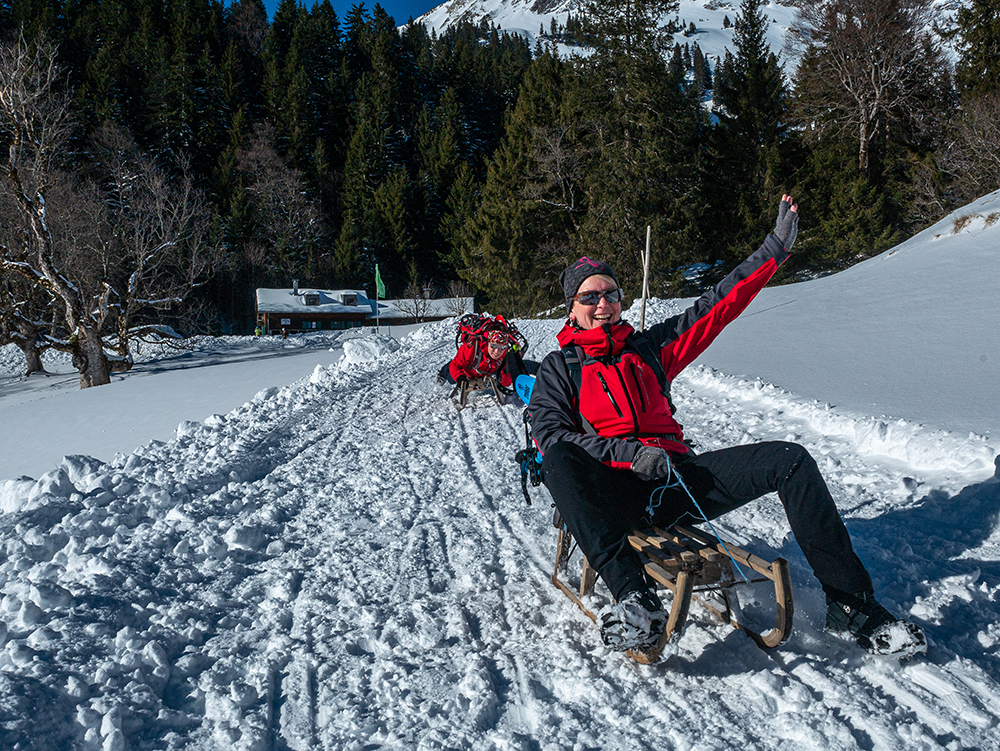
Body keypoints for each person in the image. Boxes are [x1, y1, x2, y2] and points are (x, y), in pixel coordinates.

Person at [529, 195, 926, 658]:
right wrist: (629, 455)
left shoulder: (650, 349)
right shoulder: (560, 367)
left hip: (674, 484)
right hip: (610, 495)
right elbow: (553, 435)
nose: (603, 304)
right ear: (572, 308)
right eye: (590, 297)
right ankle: (635, 600)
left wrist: (774, 249)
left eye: (611, 294)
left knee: (789, 461)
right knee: (556, 457)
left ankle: (851, 605)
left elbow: (716, 306)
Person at [439, 323, 534, 390]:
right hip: (467, 369)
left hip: (485, 371)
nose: (497, 351)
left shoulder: (505, 354)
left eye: (502, 347)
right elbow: (455, 365)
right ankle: (443, 372)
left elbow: (507, 378)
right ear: (487, 342)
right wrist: (459, 377)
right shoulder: (471, 348)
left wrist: (501, 378)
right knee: (452, 378)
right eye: (493, 346)